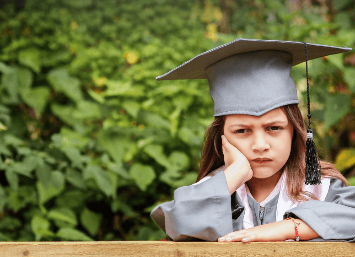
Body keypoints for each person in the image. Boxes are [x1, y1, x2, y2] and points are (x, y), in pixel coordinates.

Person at [150, 38, 355, 242]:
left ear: (294, 129)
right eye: (241, 131)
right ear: (222, 137)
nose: (260, 145)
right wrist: (233, 176)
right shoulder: (214, 193)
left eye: (274, 128)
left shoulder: (320, 188)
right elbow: (177, 224)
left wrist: (287, 228)